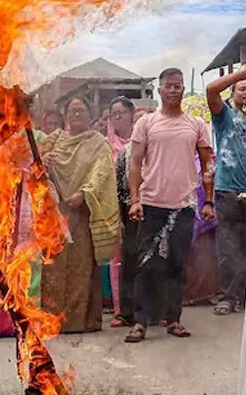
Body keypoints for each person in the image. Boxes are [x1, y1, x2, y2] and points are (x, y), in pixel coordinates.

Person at [125, 68, 214, 343]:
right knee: (146, 264)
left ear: (183, 89)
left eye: (178, 86)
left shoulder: (197, 124)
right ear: (160, 90)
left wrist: (208, 201)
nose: (174, 90)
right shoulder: (147, 123)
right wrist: (135, 199)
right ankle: (140, 322)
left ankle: (173, 320)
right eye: (169, 86)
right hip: (152, 204)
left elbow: (208, 165)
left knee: (177, 264)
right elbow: (135, 163)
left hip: (184, 205)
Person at [39, 96, 120, 333]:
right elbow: (35, 166)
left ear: (90, 114)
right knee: (53, 266)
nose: (77, 115)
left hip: (83, 212)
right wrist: (43, 161)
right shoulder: (54, 140)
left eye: (81, 110)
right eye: (72, 111)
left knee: (81, 266)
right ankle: (52, 321)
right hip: (55, 213)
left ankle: (80, 322)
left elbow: (101, 172)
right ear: (66, 115)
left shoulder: (98, 143)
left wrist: (85, 194)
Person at [205, 64, 246, 315]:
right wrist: (242, 73)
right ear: (232, 93)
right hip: (227, 192)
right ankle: (229, 297)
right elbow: (211, 89)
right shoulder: (224, 116)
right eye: (241, 89)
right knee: (229, 248)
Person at [107, 96, 137, 328]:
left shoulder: (142, 139)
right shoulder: (105, 144)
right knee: (118, 258)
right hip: (113, 206)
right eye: (113, 113)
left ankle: (146, 308)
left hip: (139, 203)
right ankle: (121, 309)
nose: (118, 117)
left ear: (131, 115)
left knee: (142, 256)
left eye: (122, 112)